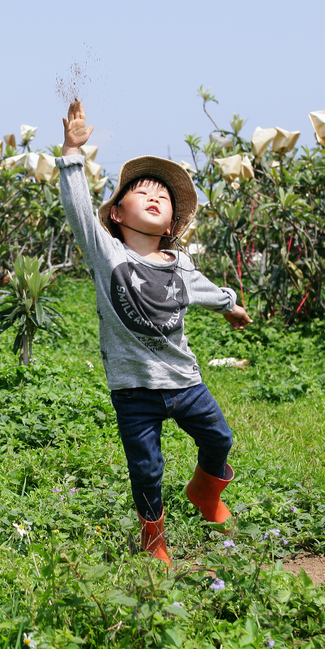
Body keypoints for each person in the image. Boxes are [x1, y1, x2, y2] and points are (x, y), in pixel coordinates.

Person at [55, 100, 252, 566]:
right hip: (134, 390)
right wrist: (71, 153)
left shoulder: (180, 265)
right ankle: (153, 537)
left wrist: (232, 307)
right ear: (118, 214)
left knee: (219, 439)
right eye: (140, 192)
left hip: (185, 382)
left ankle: (206, 492)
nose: (153, 196)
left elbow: (206, 290)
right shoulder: (109, 256)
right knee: (146, 469)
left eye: (162, 196)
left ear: (172, 222)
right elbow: (79, 209)